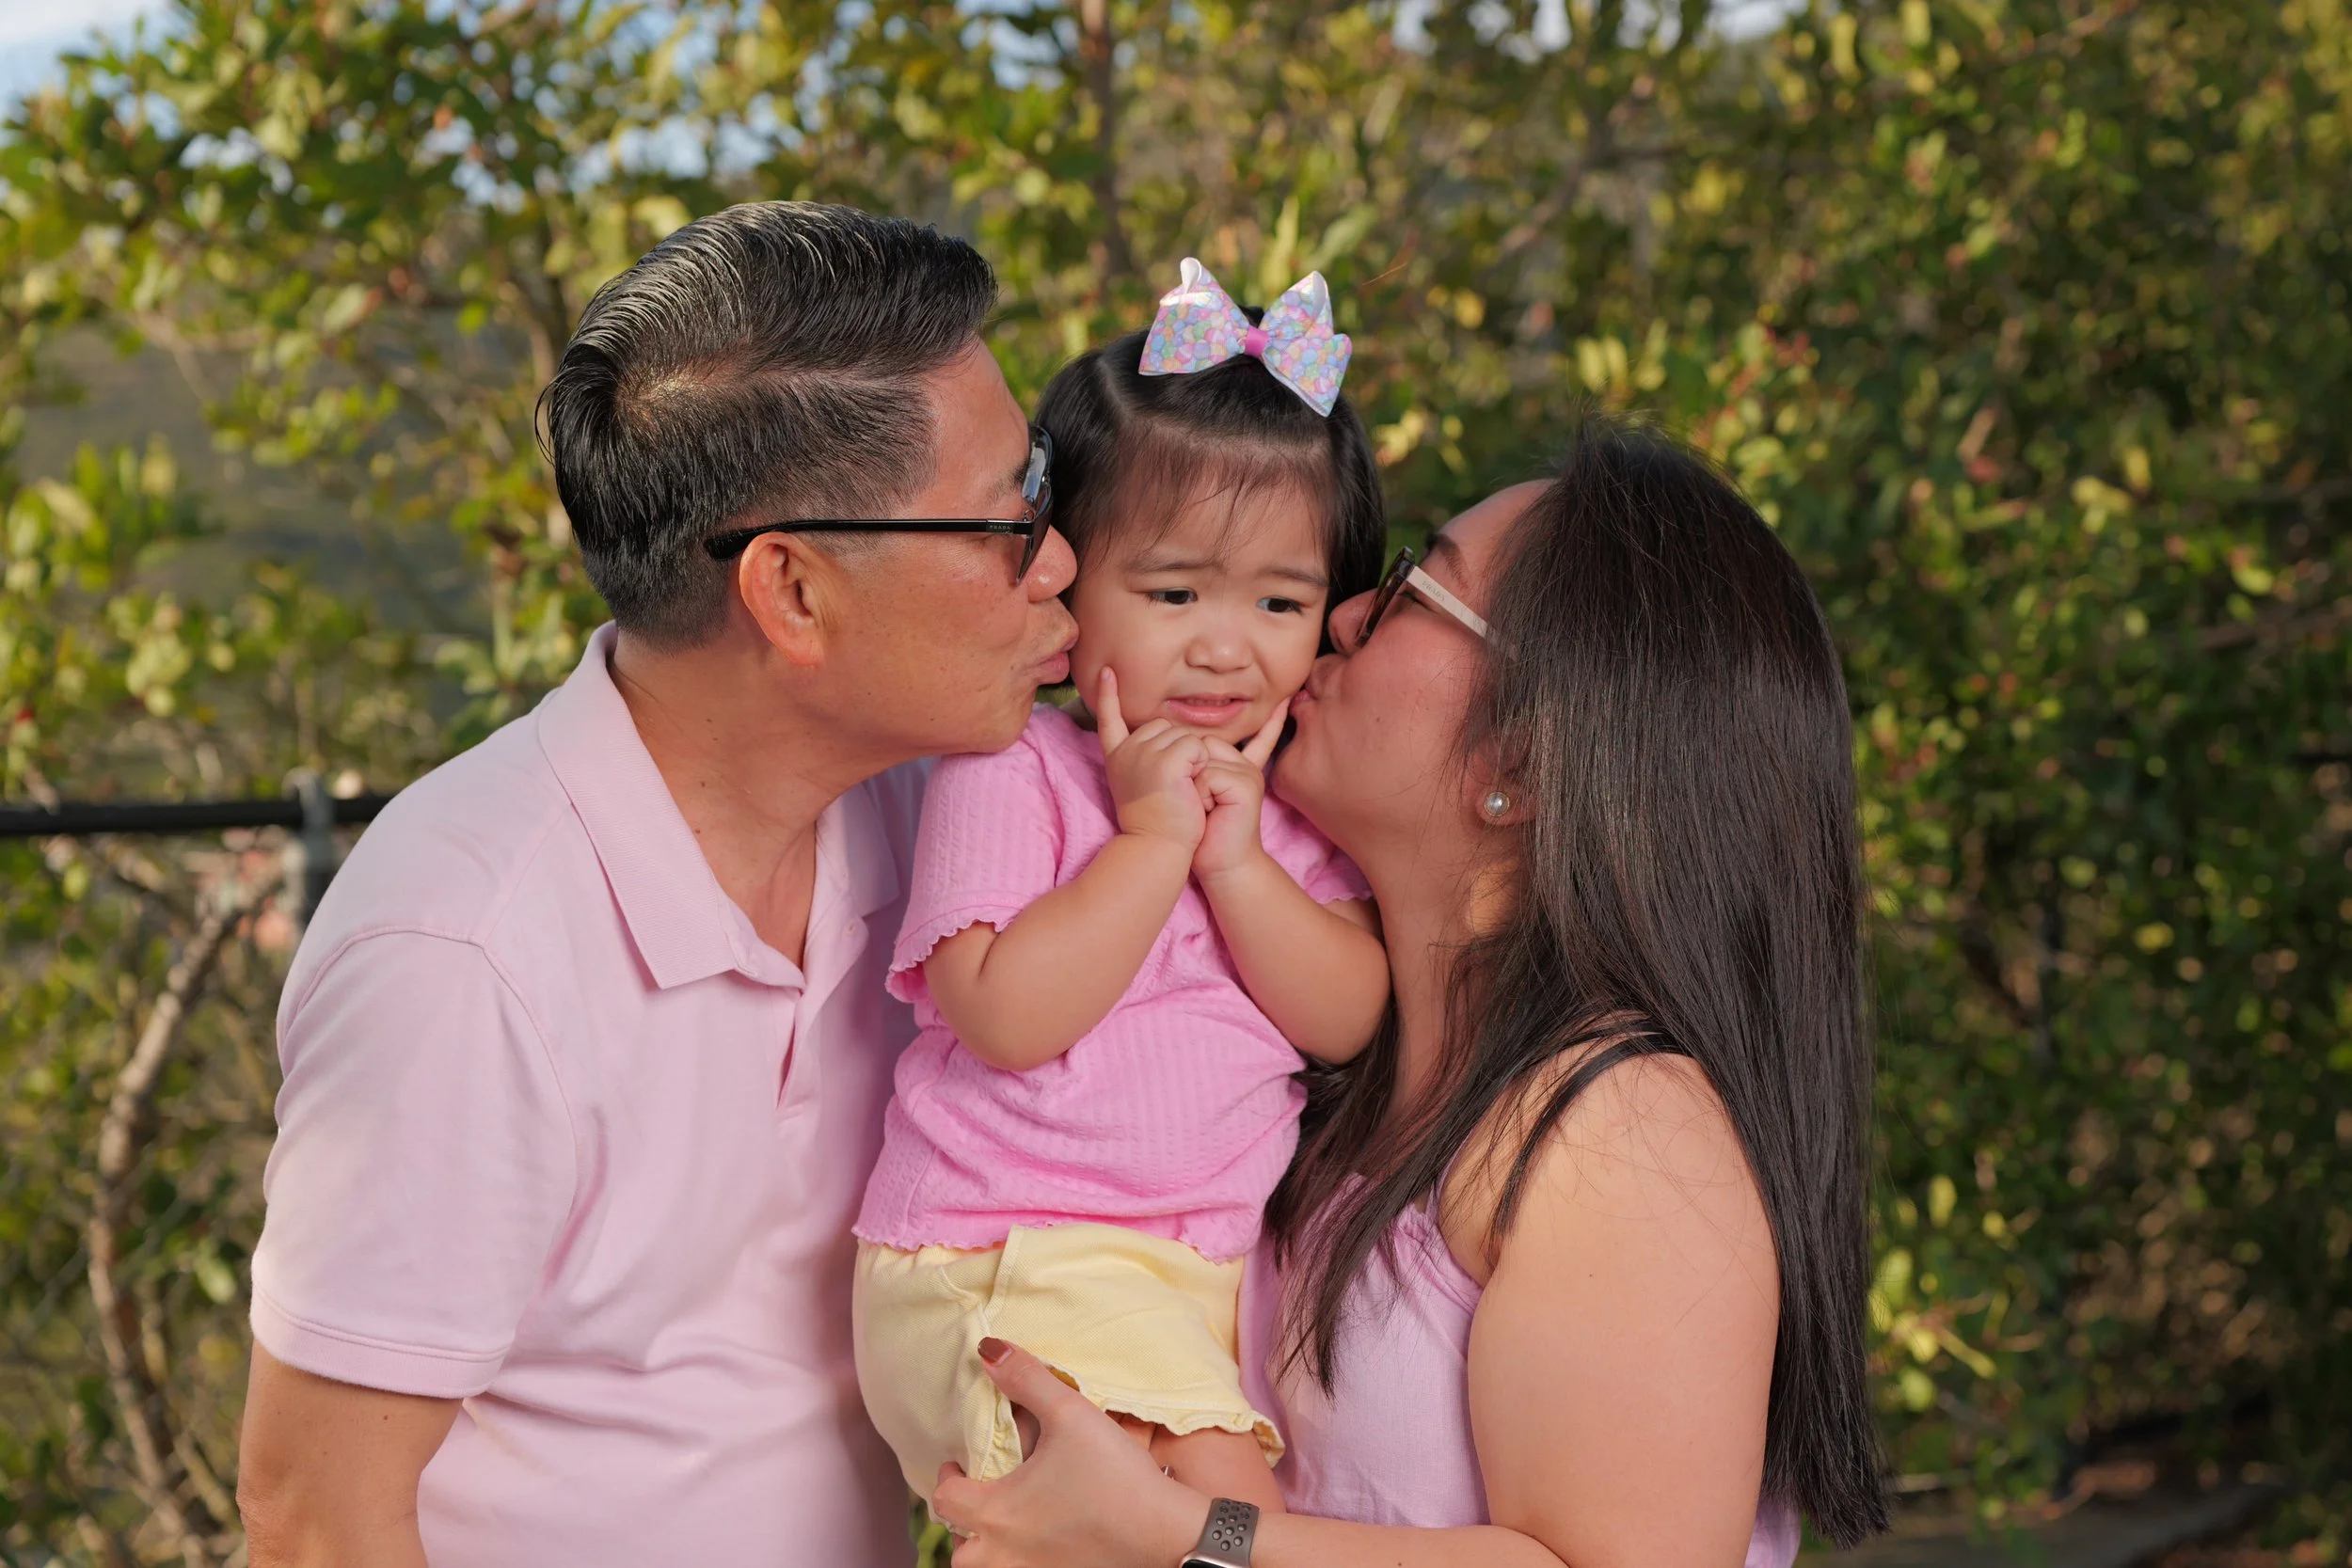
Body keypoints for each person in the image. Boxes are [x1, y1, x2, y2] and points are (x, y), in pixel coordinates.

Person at [232, 201, 1078, 1568]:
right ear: (792, 592)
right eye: (1010, 518)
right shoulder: (462, 955)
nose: (1061, 561)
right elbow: (314, 1517)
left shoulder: (931, 816)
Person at [929, 417, 1893, 1567]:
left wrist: (1189, 1535)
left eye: (1408, 591)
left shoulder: (1620, 1128)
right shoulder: (1313, 1075)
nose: (1340, 614)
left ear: (1520, 759)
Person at [850, 259, 1391, 1517]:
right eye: (1172, 591)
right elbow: (1003, 1014)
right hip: (1010, 1250)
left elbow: (1349, 1014)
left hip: (1187, 1276)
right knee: (1219, 1515)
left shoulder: (1292, 809)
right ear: (1064, 584)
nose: (1224, 642)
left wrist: (1234, 860)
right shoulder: (1018, 769)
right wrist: (1150, 843)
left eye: (1279, 599)